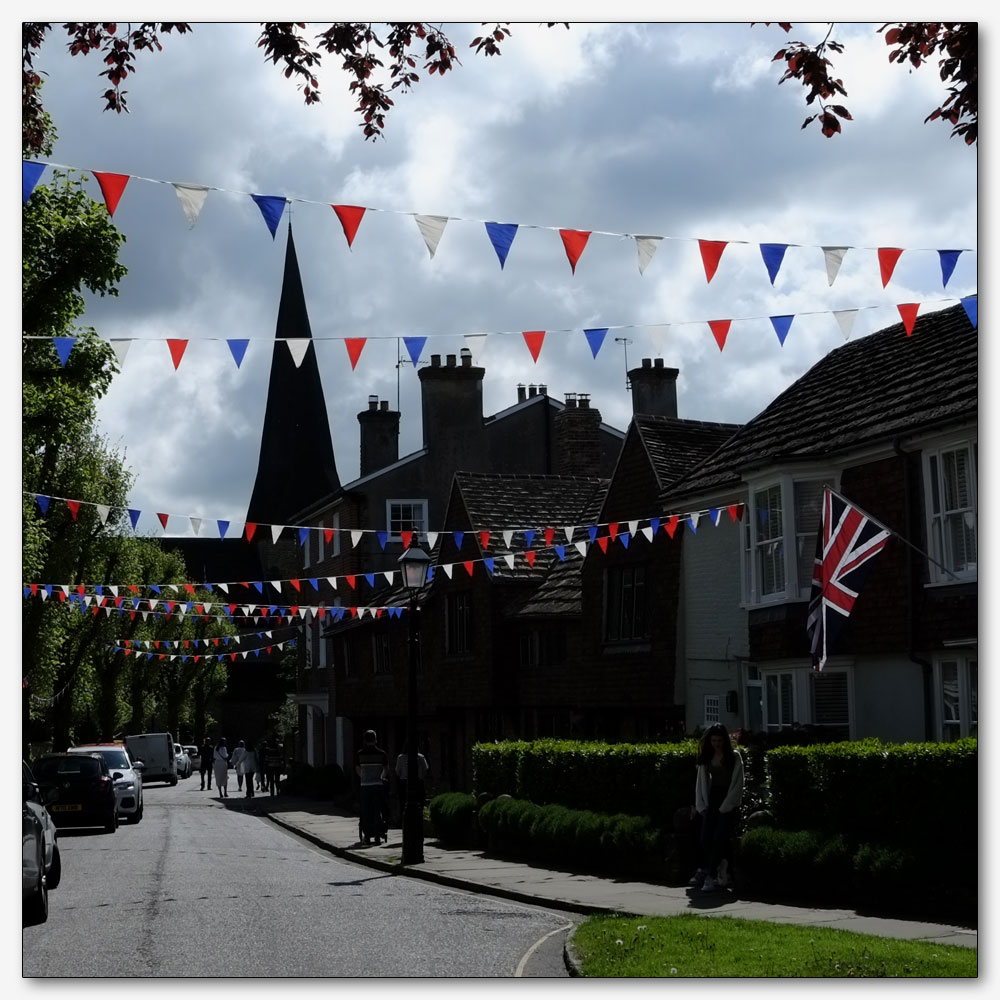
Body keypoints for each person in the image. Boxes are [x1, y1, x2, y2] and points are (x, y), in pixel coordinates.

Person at [690, 723, 744, 893]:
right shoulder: (707, 756)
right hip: (713, 798)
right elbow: (701, 782)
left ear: (725, 740)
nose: (716, 744)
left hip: (727, 800)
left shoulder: (734, 757)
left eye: (719, 740)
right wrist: (701, 804)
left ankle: (711, 875)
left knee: (719, 837)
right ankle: (721, 864)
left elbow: (738, 783)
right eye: (713, 740)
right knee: (706, 838)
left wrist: (728, 804)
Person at [355, 730, 388, 845]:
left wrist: (363, 777)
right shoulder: (382, 753)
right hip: (378, 785)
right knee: (377, 810)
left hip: (365, 786)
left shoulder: (360, 754)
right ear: (375, 739)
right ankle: (378, 835)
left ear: (365, 740)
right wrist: (381, 777)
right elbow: (385, 769)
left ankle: (367, 835)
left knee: (366, 811)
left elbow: (358, 769)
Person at [394, 741, 429, 826]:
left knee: (403, 803)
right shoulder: (420, 757)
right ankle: (418, 822)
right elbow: (425, 769)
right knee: (419, 803)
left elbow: (397, 771)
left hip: (404, 782)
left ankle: (405, 823)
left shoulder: (400, 758)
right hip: (418, 782)